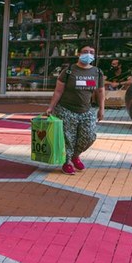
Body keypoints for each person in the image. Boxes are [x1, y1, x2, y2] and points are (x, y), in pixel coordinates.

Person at [45, 45, 105, 175]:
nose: (88, 54)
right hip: (66, 109)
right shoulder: (68, 71)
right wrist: (51, 107)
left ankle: (75, 155)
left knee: (89, 136)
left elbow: (100, 91)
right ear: (79, 54)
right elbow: (58, 91)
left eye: (91, 52)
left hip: (86, 110)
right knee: (68, 137)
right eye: (85, 52)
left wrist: (101, 108)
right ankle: (67, 162)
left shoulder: (97, 72)